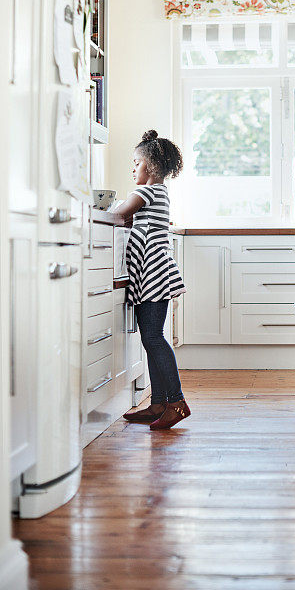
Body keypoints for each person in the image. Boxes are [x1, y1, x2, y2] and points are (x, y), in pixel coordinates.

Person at [115, 130, 190, 430]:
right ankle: (159, 402)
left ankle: (177, 401)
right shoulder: (160, 193)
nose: (132, 169)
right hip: (156, 272)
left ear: (152, 167)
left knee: (153, 338)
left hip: (152, 274)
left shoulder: (146, 192)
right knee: (151, 337)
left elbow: (120, 214)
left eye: (136, 163)